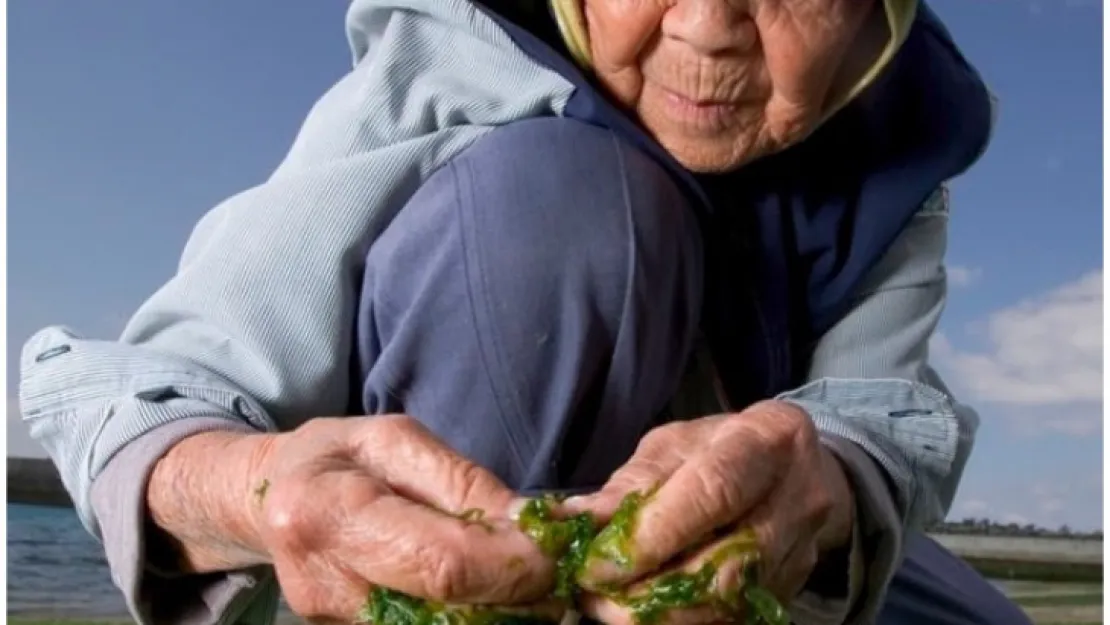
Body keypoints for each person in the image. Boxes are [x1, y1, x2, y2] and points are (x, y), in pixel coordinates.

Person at [18, 1, 1031, 624]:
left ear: (879, 17)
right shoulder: (443, 65)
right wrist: (251, 486)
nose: (705, 26)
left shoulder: (899, 158)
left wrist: (831, 480)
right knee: (567, 213)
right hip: (422, 561)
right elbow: (134, 394)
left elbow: (879, 404)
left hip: (733, 581)